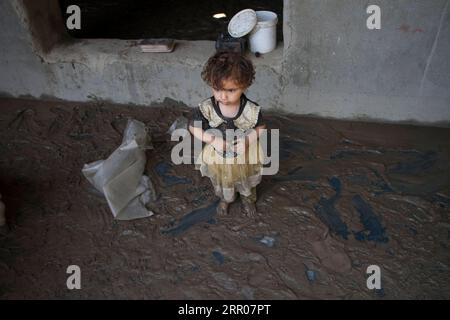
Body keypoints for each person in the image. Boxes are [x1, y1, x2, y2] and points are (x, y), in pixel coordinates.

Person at [188, 51, 266, 218]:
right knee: (223, 179)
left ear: (245, 85)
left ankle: (247, 198)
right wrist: (212, 140)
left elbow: (260, 128)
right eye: (217, 89)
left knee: (246, 177)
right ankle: (226, 198)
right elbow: (193, 128)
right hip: (218, 153)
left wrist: (246, 141)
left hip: (244, 152)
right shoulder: (207, 108)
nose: (223, 96)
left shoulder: (250, 110)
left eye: (231, 90)